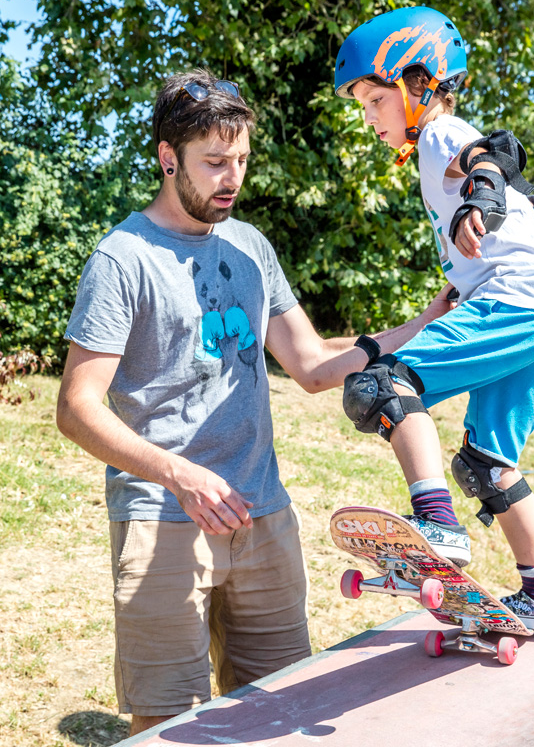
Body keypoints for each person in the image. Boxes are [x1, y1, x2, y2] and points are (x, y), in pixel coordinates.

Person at [56, 69, 453, 735]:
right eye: (213, 162)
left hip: (264, 518)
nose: (231, 177)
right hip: (163, 519)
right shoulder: (122, 259)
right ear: (166, 157)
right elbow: (76, 406)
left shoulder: (251, 246)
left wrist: (428, 323)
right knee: (170, 725)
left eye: (240, 160)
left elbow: (312, 365)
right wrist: (178, 474)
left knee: (282, 710)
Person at [332, 6, 534, 632]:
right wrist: (454, 287)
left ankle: (436, 522)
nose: (369, 120)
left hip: (516, 303)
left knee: (383, 387)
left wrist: (483, 197)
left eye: (374, 102)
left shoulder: (442, 133)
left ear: (417, 85)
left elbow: (489, 156)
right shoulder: (429, 148)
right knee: (487, 463)